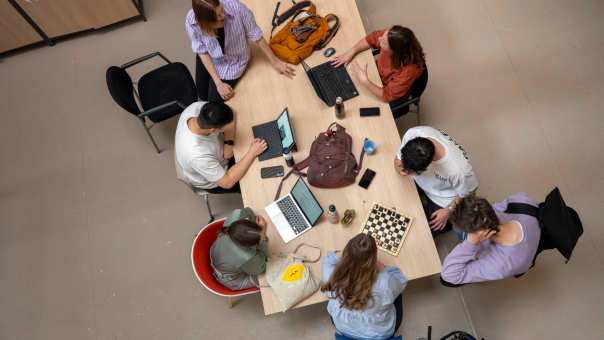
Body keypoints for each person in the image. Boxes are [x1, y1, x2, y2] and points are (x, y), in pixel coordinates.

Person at [185, 0, 295, 102]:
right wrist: (218, 83)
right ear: (205, 24)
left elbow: (256, 35)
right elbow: (202, 51)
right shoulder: (192, 22)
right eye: (219, 17)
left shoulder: (237, 8)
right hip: (210, 56)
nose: (224, 16)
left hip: (233, 61)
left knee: (214, 102)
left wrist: (275, 61)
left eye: (222, 10)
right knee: (202, 95)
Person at [394, 126, 479, 236]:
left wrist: (448, 210)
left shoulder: (459, 171)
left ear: (428, 166)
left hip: (443, 198)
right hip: (426, 183)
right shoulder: (413, 133)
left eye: (412, 171)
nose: (407, 172)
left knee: (422, 230)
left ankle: (446, 222)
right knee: (398, 200)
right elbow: (398, 159)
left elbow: (469, 192)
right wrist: (398, 164)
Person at [441, 193, 541, 286]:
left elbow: (449, 275)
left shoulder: (501, 265)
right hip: (531, 237)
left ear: (475, 234)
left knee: (447, 280)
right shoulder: (522, 200)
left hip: (515, 260)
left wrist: (471, 243)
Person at [321, 234, 406, 340]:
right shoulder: (385, 281)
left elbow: (329, 257)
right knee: (395, 292)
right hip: (379, 334)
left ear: (346, 255)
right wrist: (382, 267)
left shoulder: (331, 274)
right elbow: (401, 280)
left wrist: (350, 258)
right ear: (373, 260)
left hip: (344, 328)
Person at [175, 101, 267, 193]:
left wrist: (228, 143)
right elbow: (227, 182)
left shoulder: (198, 108)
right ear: (213, 130)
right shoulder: (197, 155)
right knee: (258, 182)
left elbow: (231, 111)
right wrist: (252, 153)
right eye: (225, 127)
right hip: (217, 179)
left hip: (221, 152)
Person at [332, 25, 425, 114]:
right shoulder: (390, 36)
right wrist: (351, 51)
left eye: (383, 43)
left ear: (394, 52)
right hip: (378, 76)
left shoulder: (409, 71)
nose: (379, 39)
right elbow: (371, 38)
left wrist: (365, 82)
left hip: (391, 94)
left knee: (357, 107)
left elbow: (387, 95)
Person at [210, 208, 268, 290]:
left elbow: (248, 211)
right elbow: (262, 267)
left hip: (218, 254)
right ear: (248, 246)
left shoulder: (237, 216)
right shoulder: (246, 256)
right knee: (267, 276)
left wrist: (255, 230)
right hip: (232, 279)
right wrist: (262, 237)